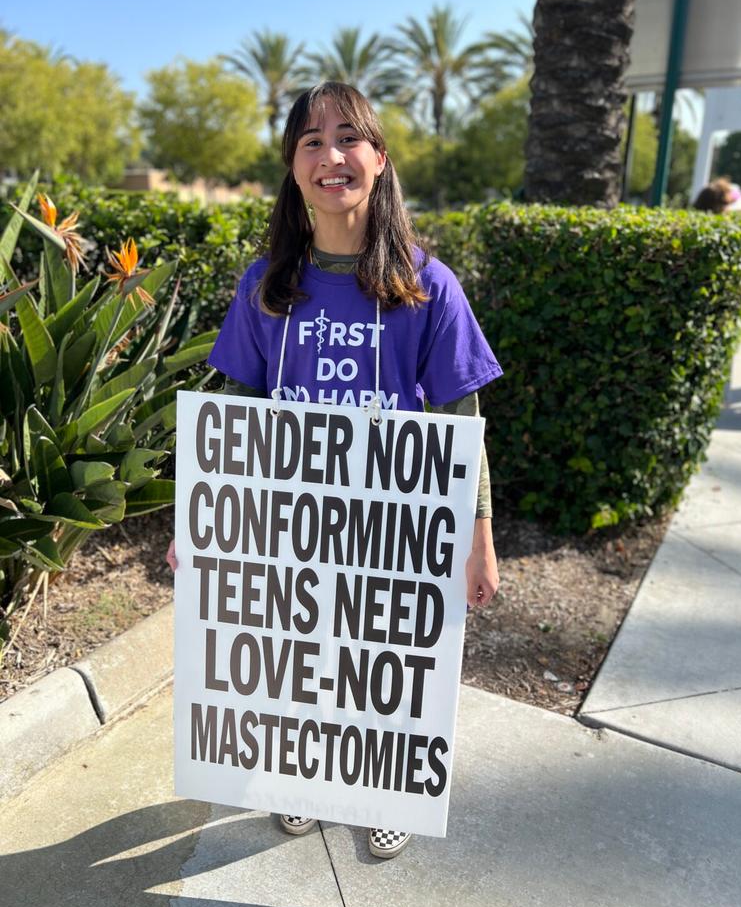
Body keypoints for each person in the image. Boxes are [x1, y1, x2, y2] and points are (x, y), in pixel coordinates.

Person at [167, 81, 502, 859]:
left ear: (379, 159)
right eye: (311, 142)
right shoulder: (266, 285)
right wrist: (201, 522)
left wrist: (478, 536)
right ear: (293, 167)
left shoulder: (428, 285)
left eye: (349, 137)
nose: (332, 156)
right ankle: (302, 780)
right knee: (296, 662)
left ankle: (384, 791)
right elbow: (237, 413)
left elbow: (463, 421)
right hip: (290, 524)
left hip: (393, 527)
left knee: (378, 668)